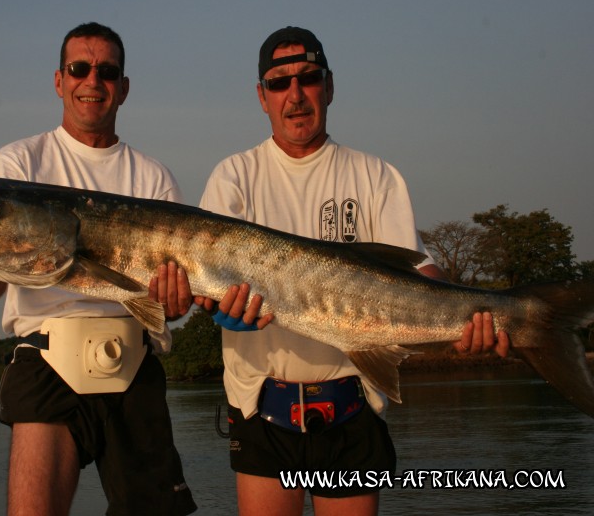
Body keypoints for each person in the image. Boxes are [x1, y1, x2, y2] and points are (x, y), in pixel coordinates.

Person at [151, 26, 509, 516]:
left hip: (355, 403)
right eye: (279, 83)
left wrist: (466, 322)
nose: (295, 95)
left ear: (330, 86)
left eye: (308, 78)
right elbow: (208, 286)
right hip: (262, 407)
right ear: (262, 97)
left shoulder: (376, 176)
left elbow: (421, 273)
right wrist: (213, 307)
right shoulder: (234, 176)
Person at [0, 22, 197, 516]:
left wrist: (174, 304)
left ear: (123, 87)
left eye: (107, 71)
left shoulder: (154, 177)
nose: (93, 81)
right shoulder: (18, 162)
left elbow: (165, 308)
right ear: (59, 80)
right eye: (79, 69)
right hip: (46, 356)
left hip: (135, 359)